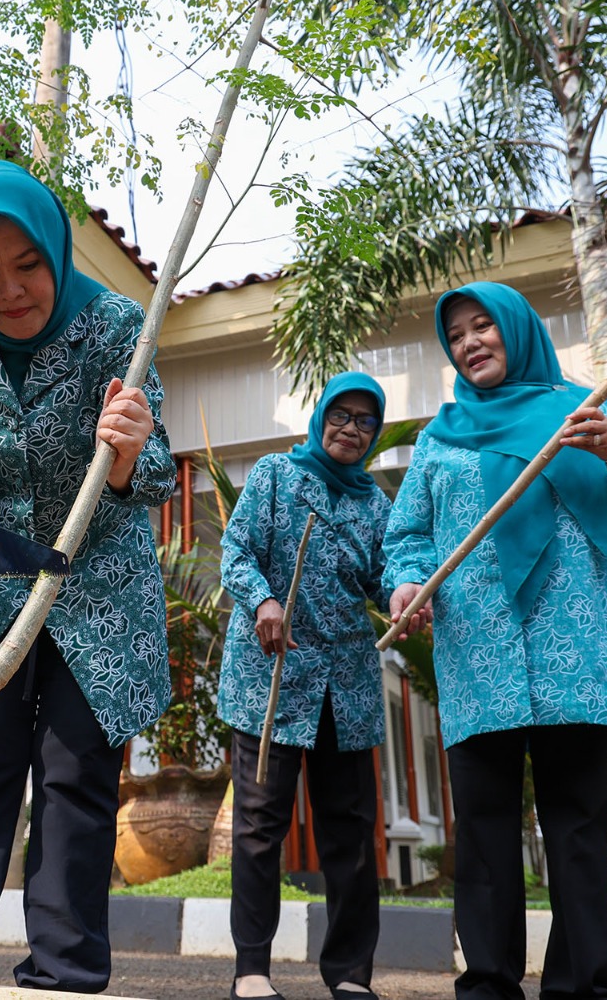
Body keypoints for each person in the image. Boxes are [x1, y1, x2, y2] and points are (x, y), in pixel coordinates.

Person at [0, 159, 175, 992]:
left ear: (55, 254)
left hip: (99, 585)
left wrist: (127, 451)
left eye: (27, 267)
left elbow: (155, 473)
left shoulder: (119, 324)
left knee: (75, 775)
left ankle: (66, 976)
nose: (10, 291)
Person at [382, 282, 607, 1000]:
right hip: (478, 655)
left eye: (485, 326)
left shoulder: (581, 413)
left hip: (578, 650)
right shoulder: (439, 438)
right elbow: (408, 537)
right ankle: (487, 984)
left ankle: (582, 986)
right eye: (456, 335)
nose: (471, 342)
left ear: (517, 330)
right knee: (483, 832)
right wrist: (405, 584)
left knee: (577, 829)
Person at [217, 372, 391, 1000]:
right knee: (260, 829)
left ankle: (349, 976)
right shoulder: (273, 475)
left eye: (364, 421)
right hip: (272, 681)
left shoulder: (375, 503)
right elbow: (235, 551)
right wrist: (263, 599)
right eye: (340, 415)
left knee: (349, 836)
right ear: (320, 419)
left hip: (345, 689)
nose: (350, 428)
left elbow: (384, 576)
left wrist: (403, 593)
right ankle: (252, 971)